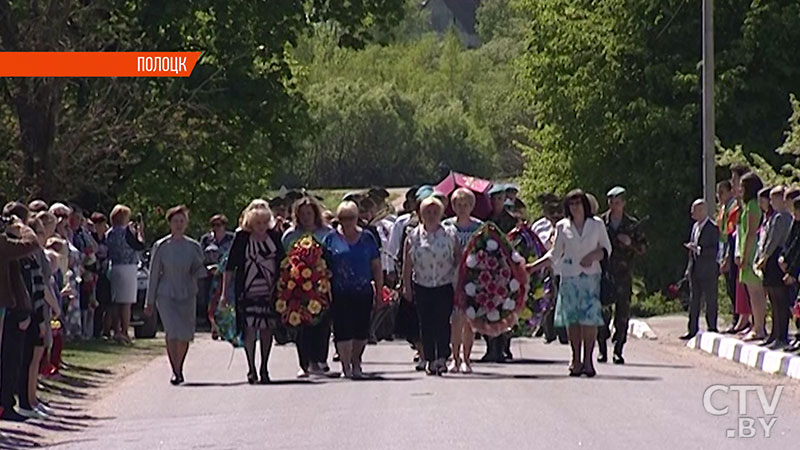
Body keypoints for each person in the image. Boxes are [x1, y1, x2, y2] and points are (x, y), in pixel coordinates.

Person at [528, 190, 611, 377]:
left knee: (589, 320)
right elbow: (555, 254)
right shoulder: (562, 226)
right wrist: (533, 266)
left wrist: (593, 256)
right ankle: (576, 358)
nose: (575, 207)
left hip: (590, 278)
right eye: (571, 204)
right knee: (572, 320)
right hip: (569, 277)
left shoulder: (596, 225)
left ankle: (589, 360)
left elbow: (606, 249)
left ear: (585, 205)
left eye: (578, 203)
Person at [221, 201, 284, 384]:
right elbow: (230, 266)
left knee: (267, 329)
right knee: (250, 329)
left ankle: (264, 367)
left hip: (270, 291)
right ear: (251, 223)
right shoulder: (242, 237)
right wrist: (225, 293)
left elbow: (283, 261)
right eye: (258, 223)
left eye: (265, 223)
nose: (262, 227)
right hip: (247, 291)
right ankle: (251, 367)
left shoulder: (273, 236)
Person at [145, 206, 205, 385]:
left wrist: (206, 270)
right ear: (169, 223)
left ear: (186, 224)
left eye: (182, 221)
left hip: (187, 293)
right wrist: (149, 301)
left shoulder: (193, 246)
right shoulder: (161, 246)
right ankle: (175, 371)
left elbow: (199, 270)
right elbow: (153, 274)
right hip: (166, 294)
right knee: (172, 331)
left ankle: (180, 366)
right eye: (175, 221)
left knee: (185, 333)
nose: (178, 225)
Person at [322, 201, 382, 379]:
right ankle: (345, 366)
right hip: (339, 291)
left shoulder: (367, 238)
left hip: (363, 290)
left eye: (350, 218)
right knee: (342, 330)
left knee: (361, 330)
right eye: (343, 218)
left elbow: (376, 265)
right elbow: (323, 266)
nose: (347, 222)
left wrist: (380, 290)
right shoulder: (331, 239)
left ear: (357, 218)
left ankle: (356, 362)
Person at [403, 196, 459, 376]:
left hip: (444, 284)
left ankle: (442, 357)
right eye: (428, 211)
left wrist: (459, 280)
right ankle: (429, 358)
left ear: (441, 214)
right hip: (422, 284)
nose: (432, 215)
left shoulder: (450, 233)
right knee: (426, 323)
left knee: (443, 322)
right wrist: (407, 287)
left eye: (435, 212)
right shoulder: (413, 235)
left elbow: (458, 258)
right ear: (421, 214)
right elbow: (407, 264)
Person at [282, 197, 334, 377]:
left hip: (321, 285)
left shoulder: (327, 233)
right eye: (302, 214)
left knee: (322, 323)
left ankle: (320, 360)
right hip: (297, 286)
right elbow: (284, 260)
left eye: (309, 213)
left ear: (315, 214)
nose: (306, 217)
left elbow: (332, 258)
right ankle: (304, 364)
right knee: (301, 323)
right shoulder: (290, 235)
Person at [597, 186, 647, 364]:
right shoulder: (600, 222)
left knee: (622, 314)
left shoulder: (631, 224)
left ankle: (618, 349)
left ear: (623, 203)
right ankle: (602, 348)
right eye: (611, 202)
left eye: (617, 202)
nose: (613, 206)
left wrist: (630, 243)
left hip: (623, 275)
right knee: (602, 313)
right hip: (603, 273)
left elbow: (643, 249)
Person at [0, 205, 40, 422]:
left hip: (8, 306)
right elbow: (32, 244)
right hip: (5, 306)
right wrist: (22, 227)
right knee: (8, 358)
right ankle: (5, 404)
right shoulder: (3, 244)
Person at [387, 186, 427, 370]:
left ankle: (429, 353)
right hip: (410, 277)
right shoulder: (404, 223)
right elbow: (395, 249)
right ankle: (421, 350)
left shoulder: (444, 227)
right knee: (411, 319)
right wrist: (395, 275)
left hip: (434, 278)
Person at [443, 188, 482, 374]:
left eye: (466, 205)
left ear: (472, 206)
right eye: (458, 205)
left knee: (469, 319)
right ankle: (455, 358)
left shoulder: (479, 227)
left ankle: (467, 358)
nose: (462, 208)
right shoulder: (446, 227)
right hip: (451, 276)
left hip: (473, 277)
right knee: (455, 319)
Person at [755, 187, 793, 349]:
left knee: (779, 298)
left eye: (774, 199)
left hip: (775, 258)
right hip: (770, 259)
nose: (771, 202)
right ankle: (775, 333)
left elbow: (774, 240)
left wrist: (764, 257)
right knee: (773, 299)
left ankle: (781, 335)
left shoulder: (782, 217)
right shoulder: (773, 217)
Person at [483, 183, 517, 362]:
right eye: (495, 199)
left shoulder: (511, 221)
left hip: (507, 270)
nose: (498, 202)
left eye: (501, 199)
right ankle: (491, 348)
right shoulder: (486, 221)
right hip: (488, 270)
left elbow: (517, 244)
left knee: (505, 309)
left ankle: (504, 347)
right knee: (488, 309)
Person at [106, 204, 146, 345]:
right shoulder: (126, 232)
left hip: (114, 267)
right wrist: (139, 232)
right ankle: (124, 331)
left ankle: (116, 330)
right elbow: (139, 245)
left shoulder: (109, 232)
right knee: (126, 303)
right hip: (128, 267)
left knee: (116, 301)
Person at [680, 200, 720, 339]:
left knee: (710, 299)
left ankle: (712, 327)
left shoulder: (712, 227)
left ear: (703, 211)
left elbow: (714, 249)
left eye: (695, 210)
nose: (692, 213)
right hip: (695, 269)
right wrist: (688, 268)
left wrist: (698, 249)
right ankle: (692, 329)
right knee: (694, 300)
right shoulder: (695, 227)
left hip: (708, 269)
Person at [736, 173, 767, 341]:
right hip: (748, 250)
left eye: (742, 186)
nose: (740, 189)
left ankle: (759, 328)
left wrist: (745, 257)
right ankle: (756, 326)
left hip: (752, 252)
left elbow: (750, 233)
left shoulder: (753, 207)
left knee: (756, 293)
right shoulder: (748, 206)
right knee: (752, 292)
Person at [199, 214, 235, 337]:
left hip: (227, 275)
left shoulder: (231, 239)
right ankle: (214, 327)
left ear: (224, 226)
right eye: (213, 225)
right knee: (211, 303)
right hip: (211, 275)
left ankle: (224, 328)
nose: (216, 228)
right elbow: (200, 257)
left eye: (218, 225)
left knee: (226, 301)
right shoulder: (206, 239)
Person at [716, 180, 740, 333]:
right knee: (729, 288)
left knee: (734, 286)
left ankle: (738, 319)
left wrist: (726, 257)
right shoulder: (723, 209)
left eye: (722, 193)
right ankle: (735, 317)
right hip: (723, 247)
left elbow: (731, 233)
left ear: (730, 191)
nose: (719, 196)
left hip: (731, 250)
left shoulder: (734, 207)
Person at [779, 195, 800, 351]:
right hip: (789, 267)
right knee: (794, 305)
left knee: (797, 305)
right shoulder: (795, 224)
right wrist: (783, 257)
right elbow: (789, 244)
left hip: (796, 270)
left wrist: (792, 272)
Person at [90, 212, 113, 339]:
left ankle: (103, 330)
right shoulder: (90, 237)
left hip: (105, 274)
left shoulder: (106, 238)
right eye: (99, 224)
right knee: (94, 302)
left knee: (105, 302)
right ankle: (93, 330)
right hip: (93, 273)